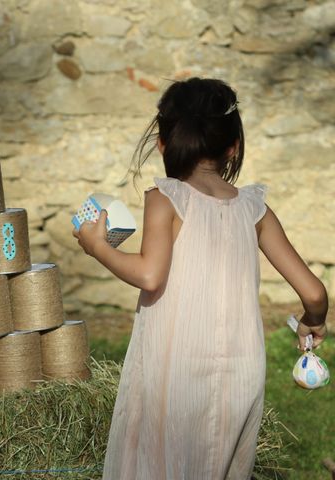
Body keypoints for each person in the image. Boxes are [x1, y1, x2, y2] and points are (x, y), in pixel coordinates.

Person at [73, 77, 328, 479]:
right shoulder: (254, 208)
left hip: (175, 370)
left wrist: (98, 248)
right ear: (233, 147)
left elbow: (150, 275)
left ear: (162, 143)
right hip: (242, 374)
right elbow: (314, 291)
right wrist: (313, 320)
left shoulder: (167, 197)